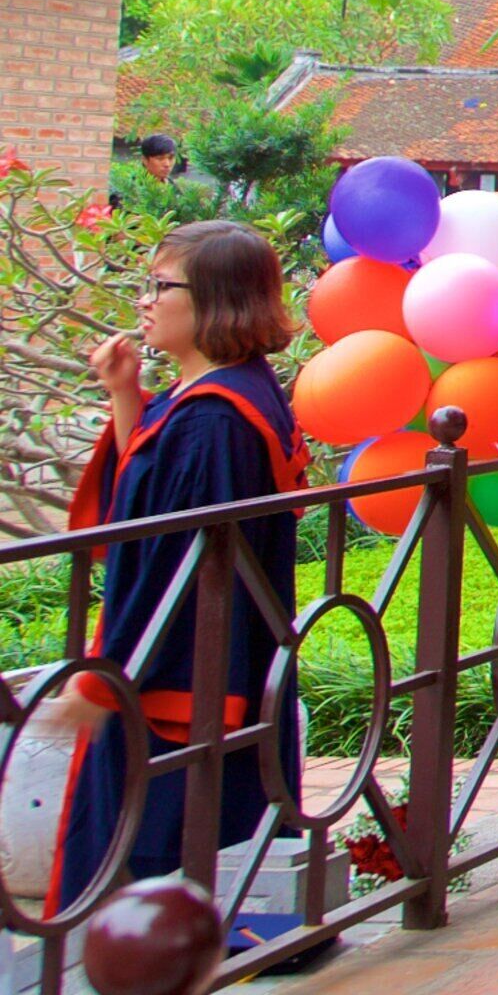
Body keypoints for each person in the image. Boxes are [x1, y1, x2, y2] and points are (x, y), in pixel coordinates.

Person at [46, 222, 305, 909]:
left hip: (181, 676)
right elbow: (155, 500)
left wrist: (104, 682)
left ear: (217, 299)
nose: (145, 300)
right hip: (211, 659)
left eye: (161, 286)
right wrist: (124, 395)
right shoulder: (224, 392)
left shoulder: (216, 418)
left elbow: (175, 565)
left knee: (156, 852)